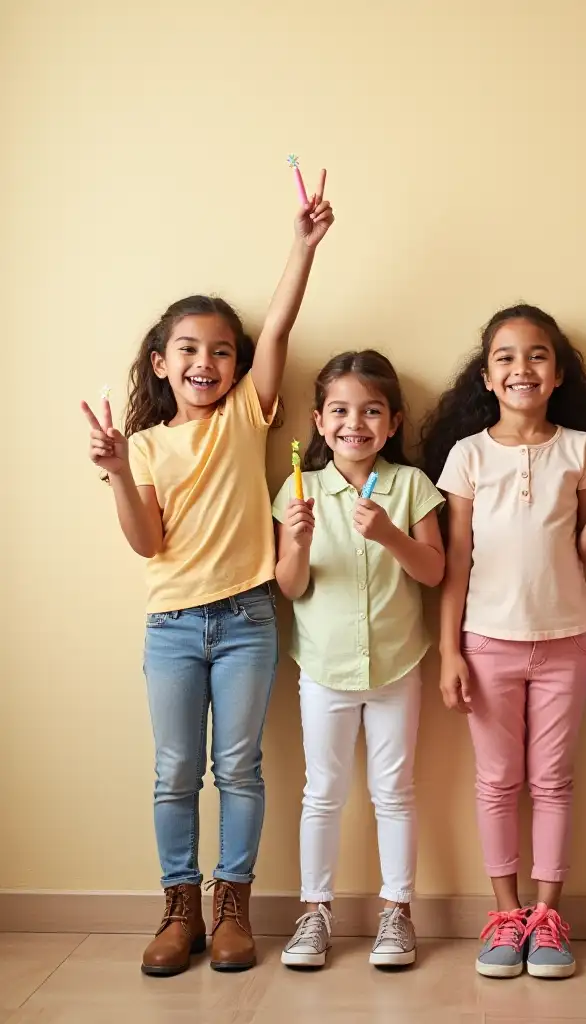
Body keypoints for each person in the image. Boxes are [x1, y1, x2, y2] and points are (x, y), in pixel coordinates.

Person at [81, 184, 334, 975]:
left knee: (240, 768)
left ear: (240, 365)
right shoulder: (149, 445)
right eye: (188, 350)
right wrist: (120, 470)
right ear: (162, 363)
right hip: (174, 625)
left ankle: (234, 906)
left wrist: (303, 245)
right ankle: (179, 908)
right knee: (174, 773)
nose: (205, 362)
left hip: (250, 618)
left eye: (222, 350)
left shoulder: (245, 416)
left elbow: (282, 322)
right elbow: (147, 543)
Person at [421, 304, 586, 978]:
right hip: (488, 644)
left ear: (558, 373)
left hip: (566, 640)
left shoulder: (581, 450)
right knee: (497, 782)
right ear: (486, 376)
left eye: (537, 355)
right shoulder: (468, 455)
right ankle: (505, 915)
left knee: (554, 781)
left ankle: (547, 917)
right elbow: (454, 562)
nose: (521, 368)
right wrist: (450, 650)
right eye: (506, 357)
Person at [274, 351, 444, 970]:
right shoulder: (299, 492)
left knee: (394, 792)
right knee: (323, 793)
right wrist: (294, 541)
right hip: (323, 668)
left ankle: (397, 912)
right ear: (320, 422)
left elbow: (434, 571)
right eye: (340, 411)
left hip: (398, 666)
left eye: (371, 411)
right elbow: (290, 587)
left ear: (393, 422)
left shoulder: (411, 487)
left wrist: (390, 536)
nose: (355, 423)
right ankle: (314, 911)